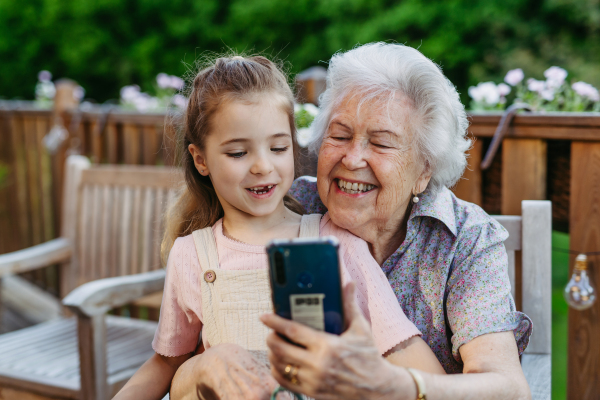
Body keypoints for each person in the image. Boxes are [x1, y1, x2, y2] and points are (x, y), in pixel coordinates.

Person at [169, 43, 533, 400]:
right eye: (340, 135)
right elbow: (185, 355)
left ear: (424, 170)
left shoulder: (465, 239)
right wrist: (203, 367)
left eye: (382, 143)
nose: (353, 158)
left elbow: (506, 390)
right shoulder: (281, 205)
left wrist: (399, 386)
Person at [114, 54, 445, 400]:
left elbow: (403, 350)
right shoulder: (192, 254)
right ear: (201, 160)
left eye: (277, 147)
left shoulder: (334, 244)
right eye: (238, 153)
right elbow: (166, 364)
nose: (262, 166)